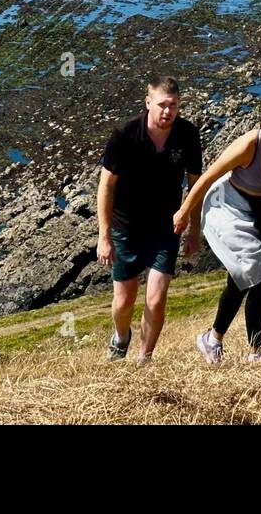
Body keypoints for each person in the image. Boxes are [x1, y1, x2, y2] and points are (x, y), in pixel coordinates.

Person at [173, 97, 261, 363]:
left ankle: (212, 339)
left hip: (259, 203)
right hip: (225, 203)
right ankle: (255, 353)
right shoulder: (249, 145)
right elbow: (206, 178)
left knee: (256, 271)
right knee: (257, 270)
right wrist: (185, 215)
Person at [97, 74, 202, 364]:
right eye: (162, 105)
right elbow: (106, 185)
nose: (168, 111)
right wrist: (104, 236)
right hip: (125, 227)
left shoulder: (188, 135)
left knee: (156, 299)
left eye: (174, 105)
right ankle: (121, 337)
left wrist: (195, 229)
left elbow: (196, 185)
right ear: (148, 103)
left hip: (165, 228)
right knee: (124, 301)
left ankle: (145, 360)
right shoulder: (125, 134)